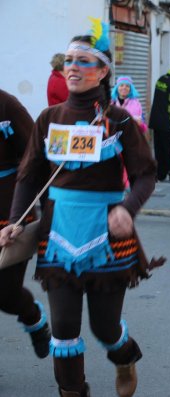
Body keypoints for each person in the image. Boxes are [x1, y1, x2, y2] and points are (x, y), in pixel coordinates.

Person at [0, 19, 161, 397]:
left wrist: (128, 208)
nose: (72, 67)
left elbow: (146, 175)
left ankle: (125, 356)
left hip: (108, 236)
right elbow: (28, 175)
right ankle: (73, 391)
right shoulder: (48, 119)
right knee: (65, 330)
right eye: (68, 61)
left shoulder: (118, 120)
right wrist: (17, 221)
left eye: (83, 61)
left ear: (103, 71)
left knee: (105, 329)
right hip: (58, 237)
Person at [0, 88, 51, 361]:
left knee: (6, 295)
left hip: (9, 215)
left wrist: (48, 209)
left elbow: (36, 159)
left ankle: (33, 317)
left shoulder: (7, 105)